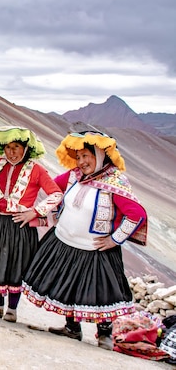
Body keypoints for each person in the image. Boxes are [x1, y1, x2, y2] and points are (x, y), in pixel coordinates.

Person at [22, 130, 148, 350]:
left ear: (99, 154)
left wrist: (115, 239)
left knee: (102, 290)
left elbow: (137, 215)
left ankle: (104, 334)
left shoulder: (115, 182)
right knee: (67, 284)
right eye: (78, 157)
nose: (81, 162)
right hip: (64, 241)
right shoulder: (73, 176)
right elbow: (51, 188)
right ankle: (71, 328)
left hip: (96, 248)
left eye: (86, 156)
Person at [0, 126, 63, 323]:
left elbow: (56, 194)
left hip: (19, 224)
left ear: (26, 148)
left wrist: (35, 212)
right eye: (7, 147)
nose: (11, 152)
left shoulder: (37, 170)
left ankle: (12, 309)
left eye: (16, 147)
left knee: (15, 263)